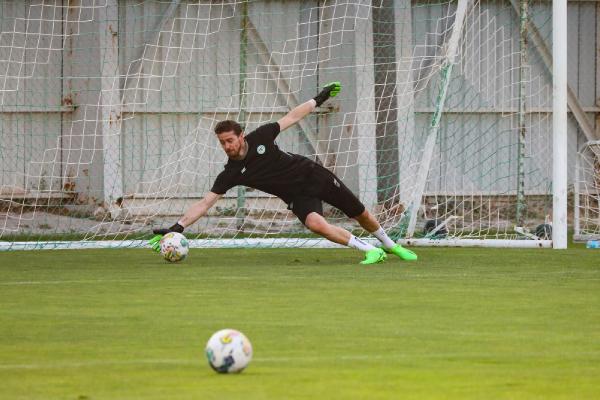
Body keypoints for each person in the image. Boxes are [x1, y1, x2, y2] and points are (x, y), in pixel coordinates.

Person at [150, 82, 417, 264]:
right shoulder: (231, 173)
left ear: (241, 136)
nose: (227, 146)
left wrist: (319, 98)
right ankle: (370, 250)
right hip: (295, 195)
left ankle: (390, 245)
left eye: (230, 140)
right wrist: (178, 227)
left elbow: (292, 117)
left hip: (314, 175)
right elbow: (205, 203)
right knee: (315, 225)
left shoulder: (262, 136)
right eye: (222, 143)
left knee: (359, 213)